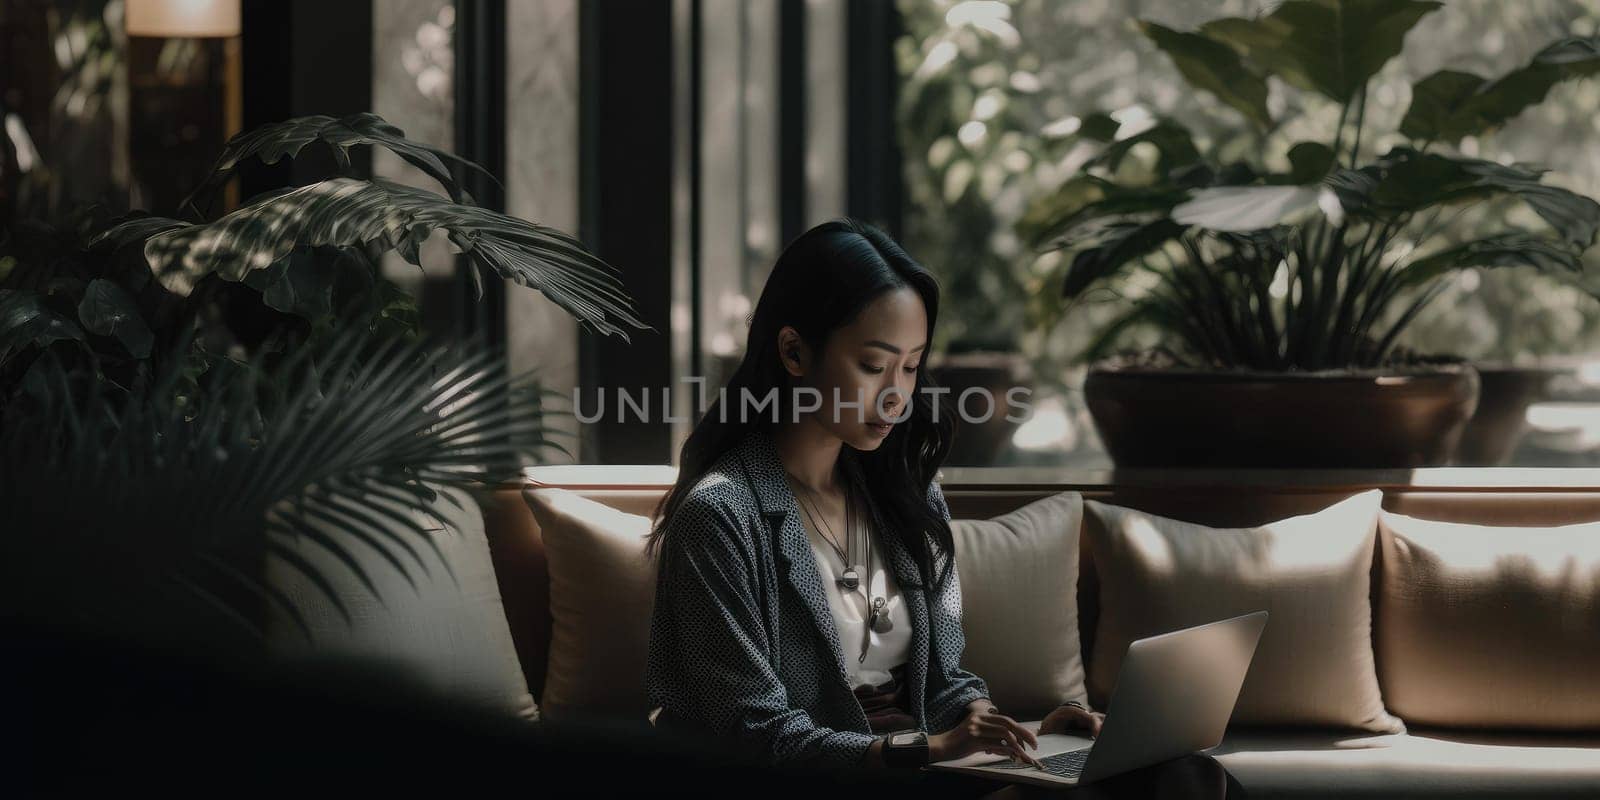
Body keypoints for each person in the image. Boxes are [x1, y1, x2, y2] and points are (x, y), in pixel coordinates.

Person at [641, 218, 1102, 795]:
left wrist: (1012, 728)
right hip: (818, 780)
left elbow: (944, 679)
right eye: (872, 365)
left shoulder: (906, 492)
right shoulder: (720, 516)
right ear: (793, 351)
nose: (897, 395)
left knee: (1170, 771)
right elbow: (755, 733)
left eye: (910, 367)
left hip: (921, 768)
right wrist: (926, 748)